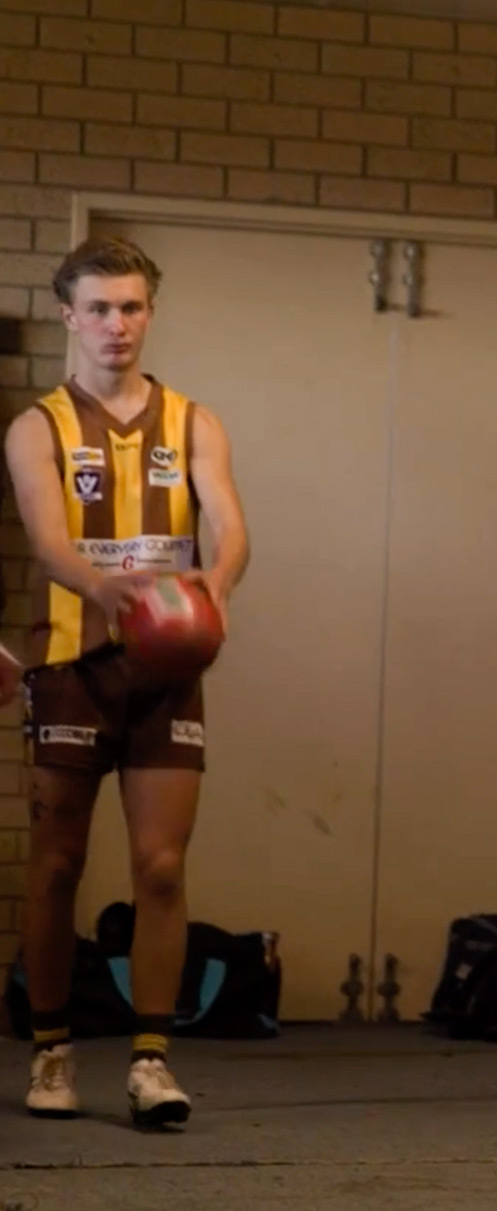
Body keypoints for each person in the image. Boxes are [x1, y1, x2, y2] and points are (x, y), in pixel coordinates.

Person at [7, 235, 250, 1128]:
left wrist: (214, 587)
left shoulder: (194, 422)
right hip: (73, 666)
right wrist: (113, 591)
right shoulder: (37, 426)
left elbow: (229, 526)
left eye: (133, 307)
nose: (118, 324)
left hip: (167, 669)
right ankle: (52, 1051)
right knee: (60, 862)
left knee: (159, 864)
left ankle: (151, 1063)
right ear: (70, 315)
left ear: (150, 312)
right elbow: (48, 542)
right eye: (100, 308)